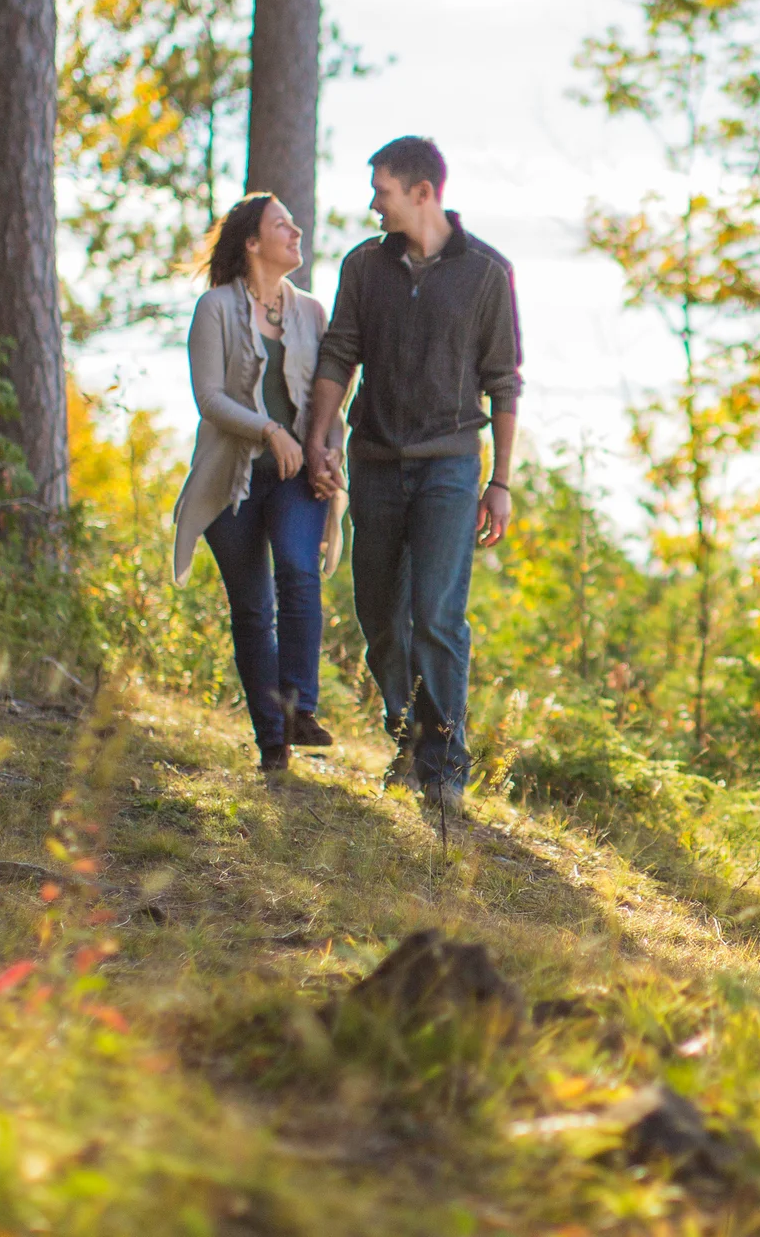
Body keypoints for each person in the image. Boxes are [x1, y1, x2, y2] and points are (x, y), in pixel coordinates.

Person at [303, 136, 521, 825]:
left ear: (423, 192)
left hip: (452, 468)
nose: (374, 202)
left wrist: (501, 482)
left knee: (436, 615)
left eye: (384, 190)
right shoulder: (364, 266)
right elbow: (340, 350)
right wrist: (320, 434)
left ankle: (442, 766)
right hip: (374, 460)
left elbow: (504, 382)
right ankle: (408, 734)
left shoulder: (487, 271)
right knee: (378, 616)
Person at [171, 194, 343, 774]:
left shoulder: (312, 313)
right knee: (251, 611)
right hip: (231, 483)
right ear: (251, 242)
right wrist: (269, 429)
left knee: (298, 570)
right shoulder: (214, 308)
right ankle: (274, 743)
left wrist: (328, 455)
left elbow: (329, 398)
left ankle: (299, 707)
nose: (296, 232)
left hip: (295, 481)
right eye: (281, 225)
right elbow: (209, 398)